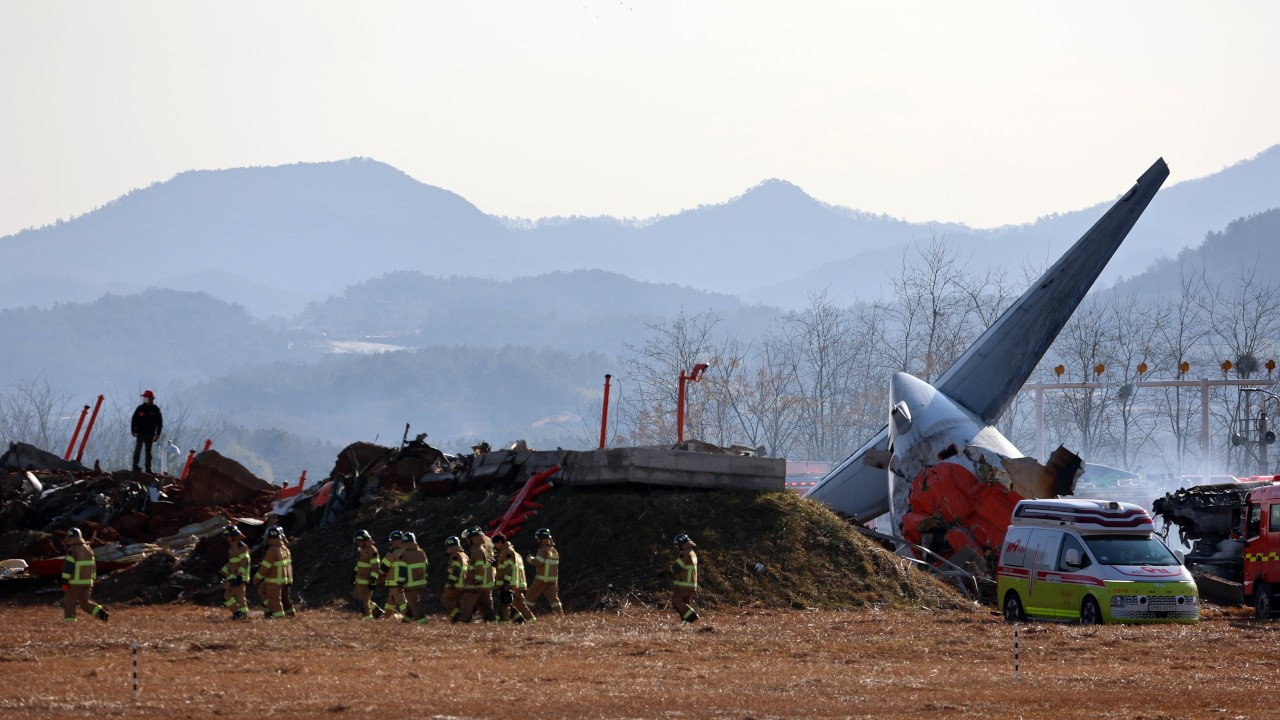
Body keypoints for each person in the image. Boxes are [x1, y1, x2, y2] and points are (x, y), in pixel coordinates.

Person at [60, 527, 108, 622]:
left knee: (69, 601)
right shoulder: (89, 549)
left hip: (75, 582)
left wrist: (65, 580)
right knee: (85, 602)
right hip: (88, 581)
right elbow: (93, 566)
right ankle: (101, 614)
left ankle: (70, 622)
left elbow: (69, 567)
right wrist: (93, 579)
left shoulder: (72, 550)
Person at [457, 526, 496, 623]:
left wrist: (477, 581)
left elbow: (479, 567)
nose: (467, 541)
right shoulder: (485, 547)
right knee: (486, 605)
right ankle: (492, 623)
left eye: (468, 538)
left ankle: (463, 623)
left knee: (466, 603)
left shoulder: (477, 550)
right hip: (487, 583)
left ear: (473, 538)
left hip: (477, 585)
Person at [252, 526, 292, 618]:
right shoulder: (285, 548)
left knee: (274, 599)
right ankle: (289, 614)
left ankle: (279, 618)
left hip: (274, 580)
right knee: (284, 598)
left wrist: (256, 578)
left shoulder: (272, 551)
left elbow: (265, 567)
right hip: (285, 579)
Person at [493, 533, 533, 623]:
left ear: (499, 542)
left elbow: (509, 568)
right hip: (516, 583)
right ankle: (531, 622)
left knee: (505, 604)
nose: (496, 546)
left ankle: (504, 625)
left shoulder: (507, 552)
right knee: (520, 605)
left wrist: (506, 583)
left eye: (496, 544)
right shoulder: (514, 552)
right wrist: (496, 564)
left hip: (509, 584)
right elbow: (507, 567)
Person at [525, 527, 563, 617]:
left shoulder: (542, 549)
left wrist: (529, 559)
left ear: (541, 539)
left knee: (529, 596)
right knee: (554, 600)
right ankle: (561, 616)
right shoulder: (554, 550)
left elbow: (538, 562)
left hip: (542, 579)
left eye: (538, 538)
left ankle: (524, 616)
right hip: (552, 580)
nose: (537, 540)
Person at [220, 525, 251, 620]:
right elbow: (232, 563)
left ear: (232, 536)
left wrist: (239, 576)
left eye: (228, 536)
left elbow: (244, 561)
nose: (226, 538)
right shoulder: (232, 548)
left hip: (238, 576)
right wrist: (222, 572)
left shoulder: (241, 546)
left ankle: (237, 613)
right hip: (236, 576)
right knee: (240, 598)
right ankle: (244, 617)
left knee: (226, 594)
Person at [352, 530, 384, 620]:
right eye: (356, 541)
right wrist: (355, 572)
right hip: (359, 580)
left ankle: (368, 619)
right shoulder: (362, 550)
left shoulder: (372, 551)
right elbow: (360, 563)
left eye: (359, 541)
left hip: (367, 580)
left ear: (365, 540)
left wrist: (373, 580)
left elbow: (376, 567)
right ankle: (377, 612)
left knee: (364, 601)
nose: (357, 543)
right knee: (356, 599)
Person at [130, 390, 163, 474]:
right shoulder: (140, 408)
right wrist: (133, 430)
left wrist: (158, 433)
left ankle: (148, 468)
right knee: (138, 449)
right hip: (140, 433)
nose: (145, 399)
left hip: (150, 434)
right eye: (145, 398)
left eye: (147, 398)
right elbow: (134, 419)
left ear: (152, 399)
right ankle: (135, 466)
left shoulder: (155, 410)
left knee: (148, 452)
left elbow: (159, 423)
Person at [399, 532, 429, 624]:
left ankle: (422, 622)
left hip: (410, 584)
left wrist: (400, 583)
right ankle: (406, 620)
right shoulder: (421, 552)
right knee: (411, 603)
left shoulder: (404, 554)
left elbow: (402, 570)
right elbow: (426, 566)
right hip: (421, 583)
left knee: (414, 604)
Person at [670, 533, 699, 623]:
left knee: (676, 601)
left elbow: (676, 568)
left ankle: (693, 616)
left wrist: (666, 571)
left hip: (684, 584)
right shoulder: (692, 553)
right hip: (691, 584)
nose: (677, 548)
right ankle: (686, 622)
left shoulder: (685, 554)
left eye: (677, 546)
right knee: (684, 604)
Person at [378, 531, 407, 618]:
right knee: (390, 602)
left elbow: (383, 568)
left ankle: (409, 617)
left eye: (392, 540)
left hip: (394, 583)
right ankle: (385, 617)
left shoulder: (393, 553)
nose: (391, 542)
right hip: (402, 582)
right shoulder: (405, 552)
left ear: (397, 541)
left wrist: (378, 576)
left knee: (401, 602)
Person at [441, 535, 468, 623]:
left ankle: (455, 616)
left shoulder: (455, 555)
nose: (447, 549)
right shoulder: (464, 555)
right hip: (464, 584)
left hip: (456, 584)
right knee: (459, 602)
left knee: (446, 598)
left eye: (449, 546)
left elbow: (456, 569)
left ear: (453, 546)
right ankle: (460, 619)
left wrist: (451, 582)